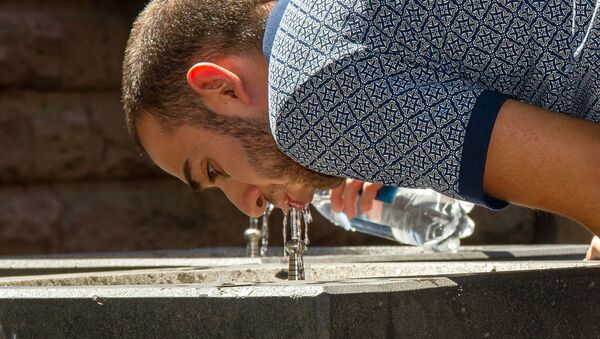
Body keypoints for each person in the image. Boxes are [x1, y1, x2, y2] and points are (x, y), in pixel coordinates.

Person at [121, 0, 600, 258]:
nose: (249, 203)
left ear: (221, 87)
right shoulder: (322, 22)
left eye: (212, 169)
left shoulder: (303, 102)